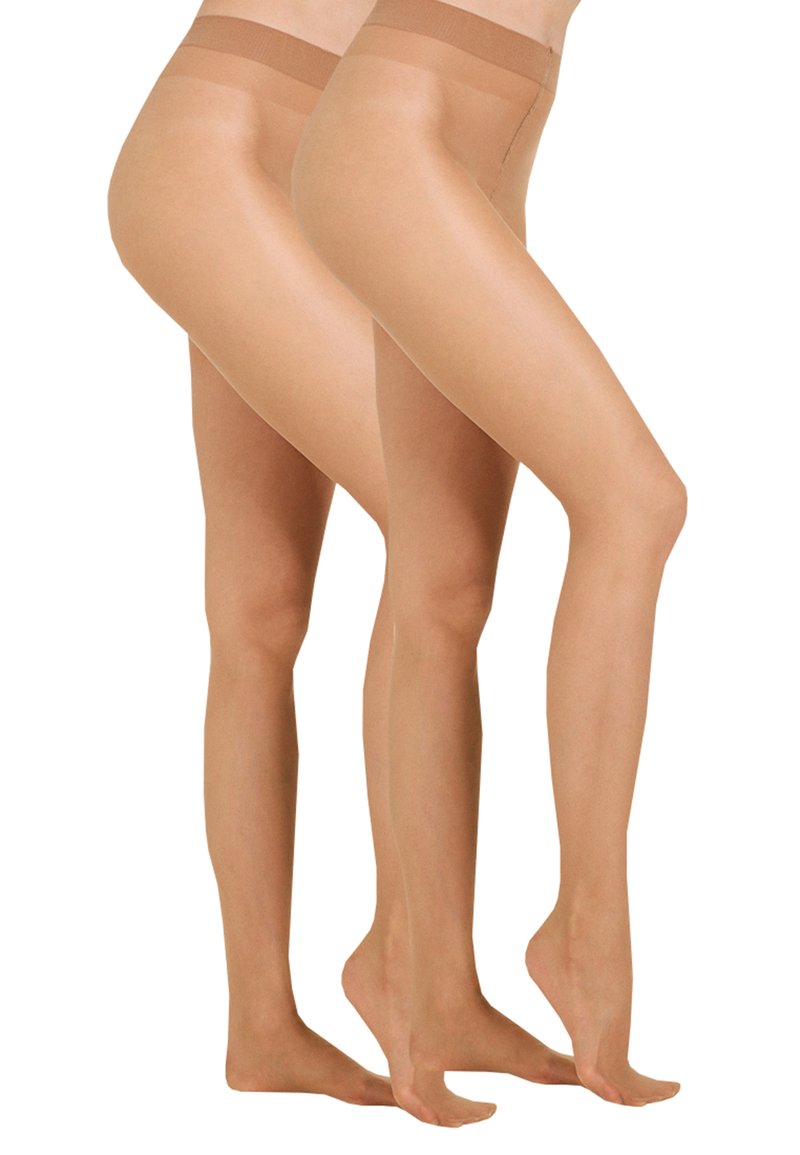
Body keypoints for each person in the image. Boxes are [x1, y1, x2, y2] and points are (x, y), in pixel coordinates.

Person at [107, 0, 574, 1126]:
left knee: (260, 610)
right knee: (433, 531)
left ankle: (264, 1028)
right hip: (227, 150)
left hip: (301, 145)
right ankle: (411, 963)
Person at [292, 0, 685, 1124]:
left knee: (445, 576)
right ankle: (585, 924)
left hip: (472, 131)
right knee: (634, 502)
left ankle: (423, 977)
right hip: (402, 131)